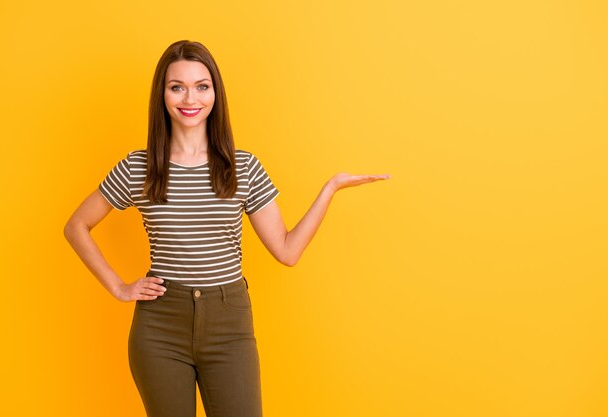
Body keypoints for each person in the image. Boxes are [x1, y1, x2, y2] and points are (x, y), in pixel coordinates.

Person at [63, 40, 390, 417]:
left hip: (228, 322)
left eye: (202, 86)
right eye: (177, 86)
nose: (191, 98)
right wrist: (119, 287)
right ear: (162, 94)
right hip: (160, 325)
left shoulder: (242, 167)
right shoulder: (140, 167)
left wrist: (330, 189)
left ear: (215, 93)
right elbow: (77, 226)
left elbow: (287, 251)